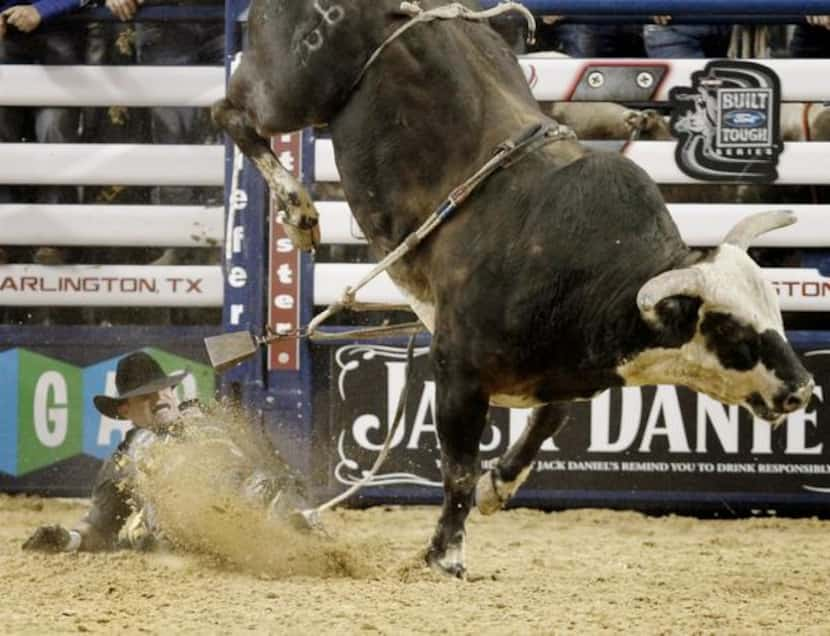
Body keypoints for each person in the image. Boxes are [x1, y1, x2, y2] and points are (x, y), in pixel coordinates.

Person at [22, 351, 310, 553]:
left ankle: (298, 534)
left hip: (249, 497)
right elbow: (98, 528)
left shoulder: (209, 414)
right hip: (193, 530)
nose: (159, 397)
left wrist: (288, 485)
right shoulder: (124, 460)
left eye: (164, 389)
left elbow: (266, 460)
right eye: (146, 394)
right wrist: (67, 540)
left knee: (264, 486)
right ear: (125, 409)